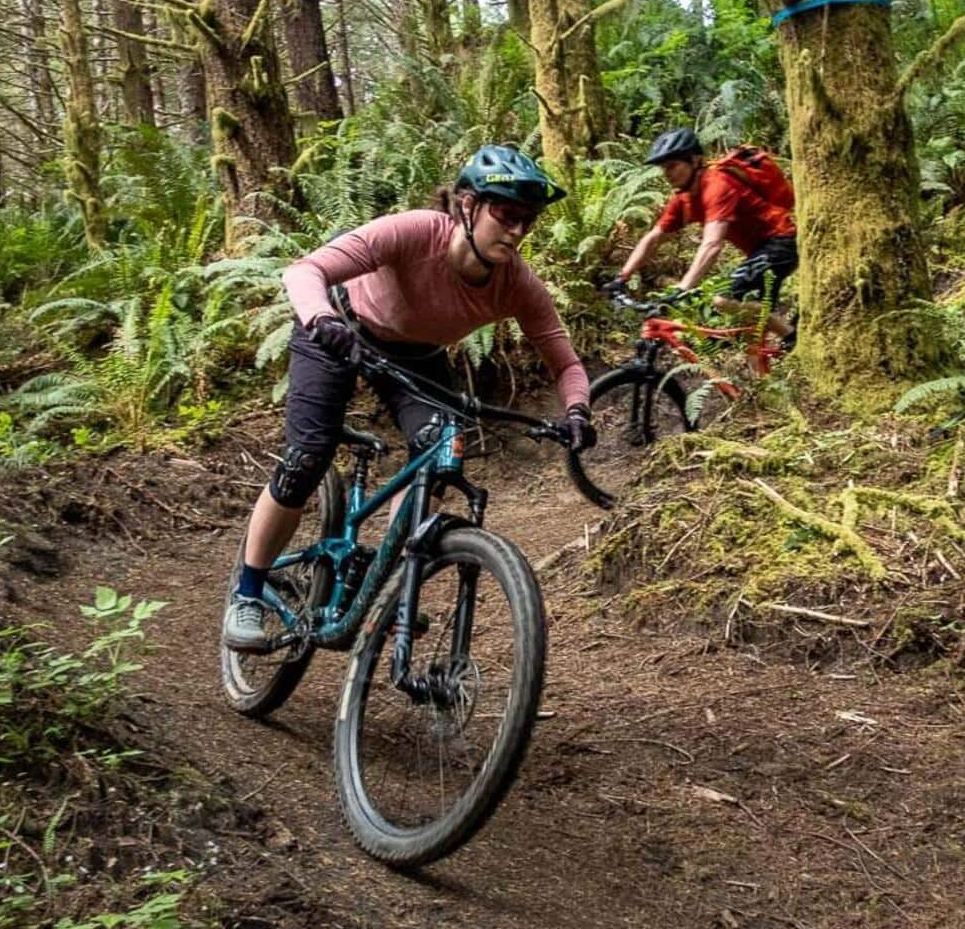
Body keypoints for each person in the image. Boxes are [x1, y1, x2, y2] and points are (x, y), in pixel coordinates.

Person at [223, 145, 596, 653]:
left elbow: (566, 362)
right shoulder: (416, 231)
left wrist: (577, 409)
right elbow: (302, 272)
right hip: (338, 329)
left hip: (415, 356)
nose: (516, 230)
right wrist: (322, 320)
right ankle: (248, 590)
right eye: (506, 215)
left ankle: (385, 582)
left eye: (526, 221)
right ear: (468, 206)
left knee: (442, 451)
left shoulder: (516, 283)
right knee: (307, 458)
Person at [605, 127, 798, 346]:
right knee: (751, 339)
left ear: (695, 160)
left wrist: (683, 287)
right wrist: (623, 277)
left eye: (672, 166)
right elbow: (654, 238)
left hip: (781, 243)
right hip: (758, 252)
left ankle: (793, 337)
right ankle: (764, 375)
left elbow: (712, 244)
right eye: (663, 168)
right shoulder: (684, 198)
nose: (667, 173)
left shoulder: (717, 185)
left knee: (723, 300)